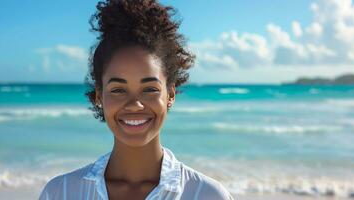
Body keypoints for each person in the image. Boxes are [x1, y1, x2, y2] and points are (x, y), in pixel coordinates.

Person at [39, 0, 233, 199]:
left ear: (170, 94)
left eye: (149, 89)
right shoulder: (60, 192)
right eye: (118, 90)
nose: (135, 104)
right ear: (99, 96)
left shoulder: (207, 195)